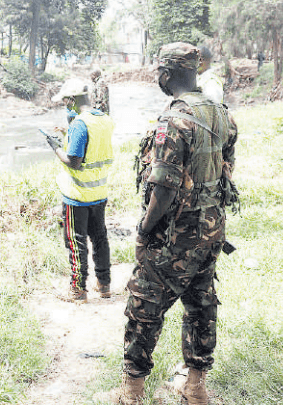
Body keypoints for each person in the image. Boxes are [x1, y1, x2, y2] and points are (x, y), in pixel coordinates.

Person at [96, 42, 238, 405]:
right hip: (211, 233)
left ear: (166, 74)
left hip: (173, 238)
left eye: (159, 72)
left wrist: (144, 231)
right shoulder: (221, 114)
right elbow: (226, 168)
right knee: (201, 306)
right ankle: (195, 387)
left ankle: (132, 391)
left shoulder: (173, 121)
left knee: (144, 307)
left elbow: (163, 187)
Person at [45, 78, 115, 304]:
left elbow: (74, 161)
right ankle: (104, 285)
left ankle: (77, 289)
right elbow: (92, 147)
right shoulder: (104, 120)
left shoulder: (79, 124)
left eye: (66, 101)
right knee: (100, 238)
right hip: (99, 192)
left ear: (72, 100)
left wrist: (55, 147)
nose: (65, 105)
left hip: (77, 196)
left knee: (76, 242)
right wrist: (69, 133)